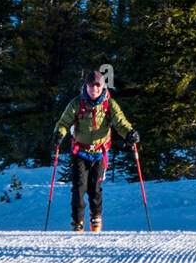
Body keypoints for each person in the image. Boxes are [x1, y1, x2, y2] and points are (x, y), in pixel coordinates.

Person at [53, 69, 139, 232]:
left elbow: (120, 122)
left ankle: (95, 216)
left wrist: (129, 133)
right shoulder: (77, 103)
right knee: (79, 187)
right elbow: (64, 122)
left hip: (100, 153)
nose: (95, 89)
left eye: (98, 86)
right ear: (86, 87)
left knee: (95, 188)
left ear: (102, 87)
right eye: (91, 86)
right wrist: (59, 133)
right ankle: (77, 221)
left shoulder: (109, 104)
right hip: (80, 151)